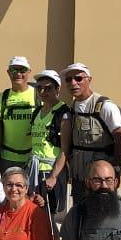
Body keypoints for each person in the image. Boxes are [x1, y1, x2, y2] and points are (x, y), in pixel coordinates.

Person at [59, 63, 121, 204]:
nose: (73, 83)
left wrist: (115, 170)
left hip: (101, 180)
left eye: (78, 78)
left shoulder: (106, 107)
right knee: (80, 213)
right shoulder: (73, 107)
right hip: (80, 177)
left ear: (89, 79)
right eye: (68, 79)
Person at [29, 69, 71, 228]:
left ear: (57, 89)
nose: (42, 92)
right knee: (36, 216)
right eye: (39, 88)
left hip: (52, 172)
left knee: (51, 220)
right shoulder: (37, 112)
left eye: (48, 88)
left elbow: (65, 149)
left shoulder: (63, 113)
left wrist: (53, 176)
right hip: (36, 170)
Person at [0, 56, 36, 172]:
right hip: (6, 157)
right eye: (14, 70)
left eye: (22, 70)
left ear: (29, 72)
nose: (18, 74)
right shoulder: (2, 97)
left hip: (32, 157)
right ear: (8, 73)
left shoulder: (38, 95)